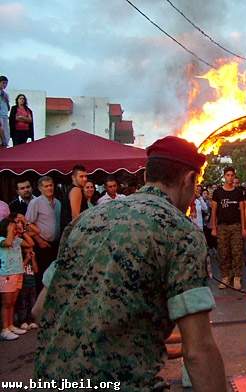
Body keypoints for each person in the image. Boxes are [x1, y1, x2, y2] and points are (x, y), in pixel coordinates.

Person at [34, 136, 226, 391]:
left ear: (147, 174)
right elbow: (198, 351)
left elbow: (40, 308)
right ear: (190, 179)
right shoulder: (181, 232)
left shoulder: (86, 220)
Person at [0, 214, 35, 340]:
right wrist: (10, 229)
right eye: (14, 228)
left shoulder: (16, 239)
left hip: (17, 272)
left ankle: (10, 325)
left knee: (12, 302)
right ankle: (4, 329)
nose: (16, 230)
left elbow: (30, 243)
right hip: (6, 275)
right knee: (6, 303)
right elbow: (8, 243)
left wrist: (22, 231)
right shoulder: (2, 239)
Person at [211, 166, 246, 290]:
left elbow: (242, 210)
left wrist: (243, 227)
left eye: (232, 175)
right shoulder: (217, 192)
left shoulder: (238, 192)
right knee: (223, 252)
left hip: (236, 226)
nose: (230, 178)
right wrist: (213, 228)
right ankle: (225, 276)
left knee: (237, 252)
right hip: (222, 227)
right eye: (228, 175)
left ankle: (237, 277)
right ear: (224, 176)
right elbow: (214, 211)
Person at [25, 176, 61, 293]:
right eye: (46, 186)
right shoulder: (35, 202)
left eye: (51, 185)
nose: (49, 188)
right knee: (42, 276)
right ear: (40, 188)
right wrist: (39, 241)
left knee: (54, 275)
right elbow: (27, 224)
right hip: (42, 245)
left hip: (55, 244)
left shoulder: (58, 203)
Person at [0, 76, 10, 147]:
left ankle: (4, 145)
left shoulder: (5, 94)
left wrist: (6, 100)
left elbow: (8, 107)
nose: (5, 85)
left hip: (5, 115)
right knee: (1, 130)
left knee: (7, 135)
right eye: (3, 83)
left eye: (6, 83)